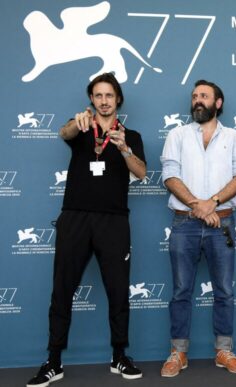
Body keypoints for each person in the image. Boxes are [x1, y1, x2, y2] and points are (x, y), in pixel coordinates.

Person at [27, 73, 147, 387]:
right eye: (98, 95)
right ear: (91, 100)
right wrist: (75, 123)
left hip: (114, 221)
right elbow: (62, 132)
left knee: (119, 291)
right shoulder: (80, 126)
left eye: (109, 95)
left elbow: (142, 173)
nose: (104, 101)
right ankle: (53, 361)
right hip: (75, 218)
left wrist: (123, 149)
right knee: (62, 289)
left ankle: (119, 356)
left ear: (117, 99)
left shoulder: (130, 135)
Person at [160, 80, 236, 377]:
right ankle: (178, 352)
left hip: (221, 222)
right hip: (184, 222)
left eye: (204, 96)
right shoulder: (177, 135)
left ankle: (224, 350)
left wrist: (211, 203)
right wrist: (197, 206)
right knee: (181, 290)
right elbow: (170, 176)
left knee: (224, 290)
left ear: (218, 102)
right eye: (195, 96)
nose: (198, 100)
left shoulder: (234, 136)